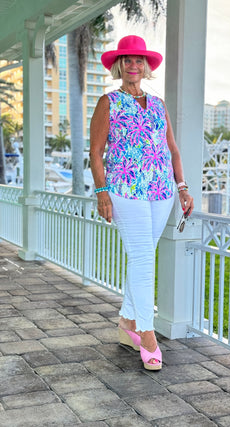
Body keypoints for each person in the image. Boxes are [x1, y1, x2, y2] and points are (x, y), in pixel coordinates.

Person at [90, 35, 194, 370]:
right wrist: (101, 192)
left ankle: (126, 323)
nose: (134, 66)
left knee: (142, 258)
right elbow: (95, 152)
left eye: (139, 61)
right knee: (142, 258)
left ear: (145, 66)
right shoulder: (109, 102)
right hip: (125, 190)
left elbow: (172, 150)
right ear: (119, 66)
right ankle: (147, 334)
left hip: (161, 192)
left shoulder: (159, 104)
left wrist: (182, 188)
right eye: (128, 60)